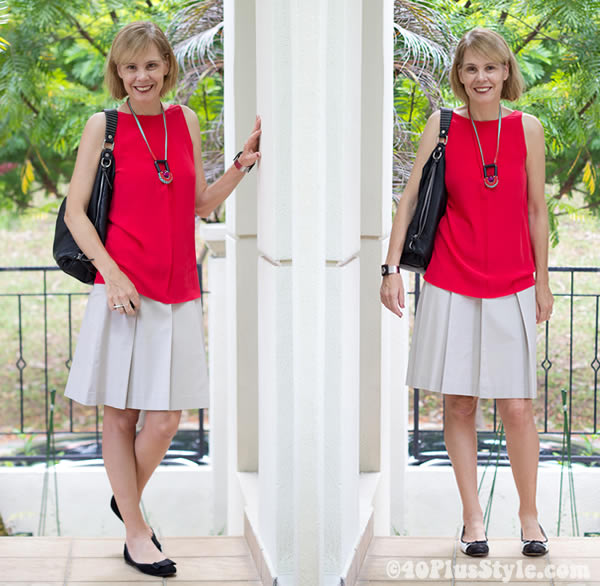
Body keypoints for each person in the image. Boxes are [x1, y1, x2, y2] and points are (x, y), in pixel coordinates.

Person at [63, 21, 261, 577]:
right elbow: (76, 212)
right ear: (118, 73)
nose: (141, 76)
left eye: (150, 65)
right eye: (130, 67)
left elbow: (197, 203)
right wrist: (113, 274)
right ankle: (136, 530)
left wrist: (242, 165)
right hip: (123, 289)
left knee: (166, 419)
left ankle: (124, 496)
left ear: (167, 67)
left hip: (177, 288)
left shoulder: (186, 121)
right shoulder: (101, 126)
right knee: (121, 416)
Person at [380, 28, 553, 557]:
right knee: (459, 402)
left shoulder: (528, 128)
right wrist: (390, 269)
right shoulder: (443, 124)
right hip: (451, 280)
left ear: (506, 74)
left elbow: (536, 211)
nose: (481, 78)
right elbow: (409, 200)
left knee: (518, 406)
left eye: (491, 68)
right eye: (471, 69)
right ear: (459, 76)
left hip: (514, 282)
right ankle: (472, 517)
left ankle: (529, 517)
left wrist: (543, 281)